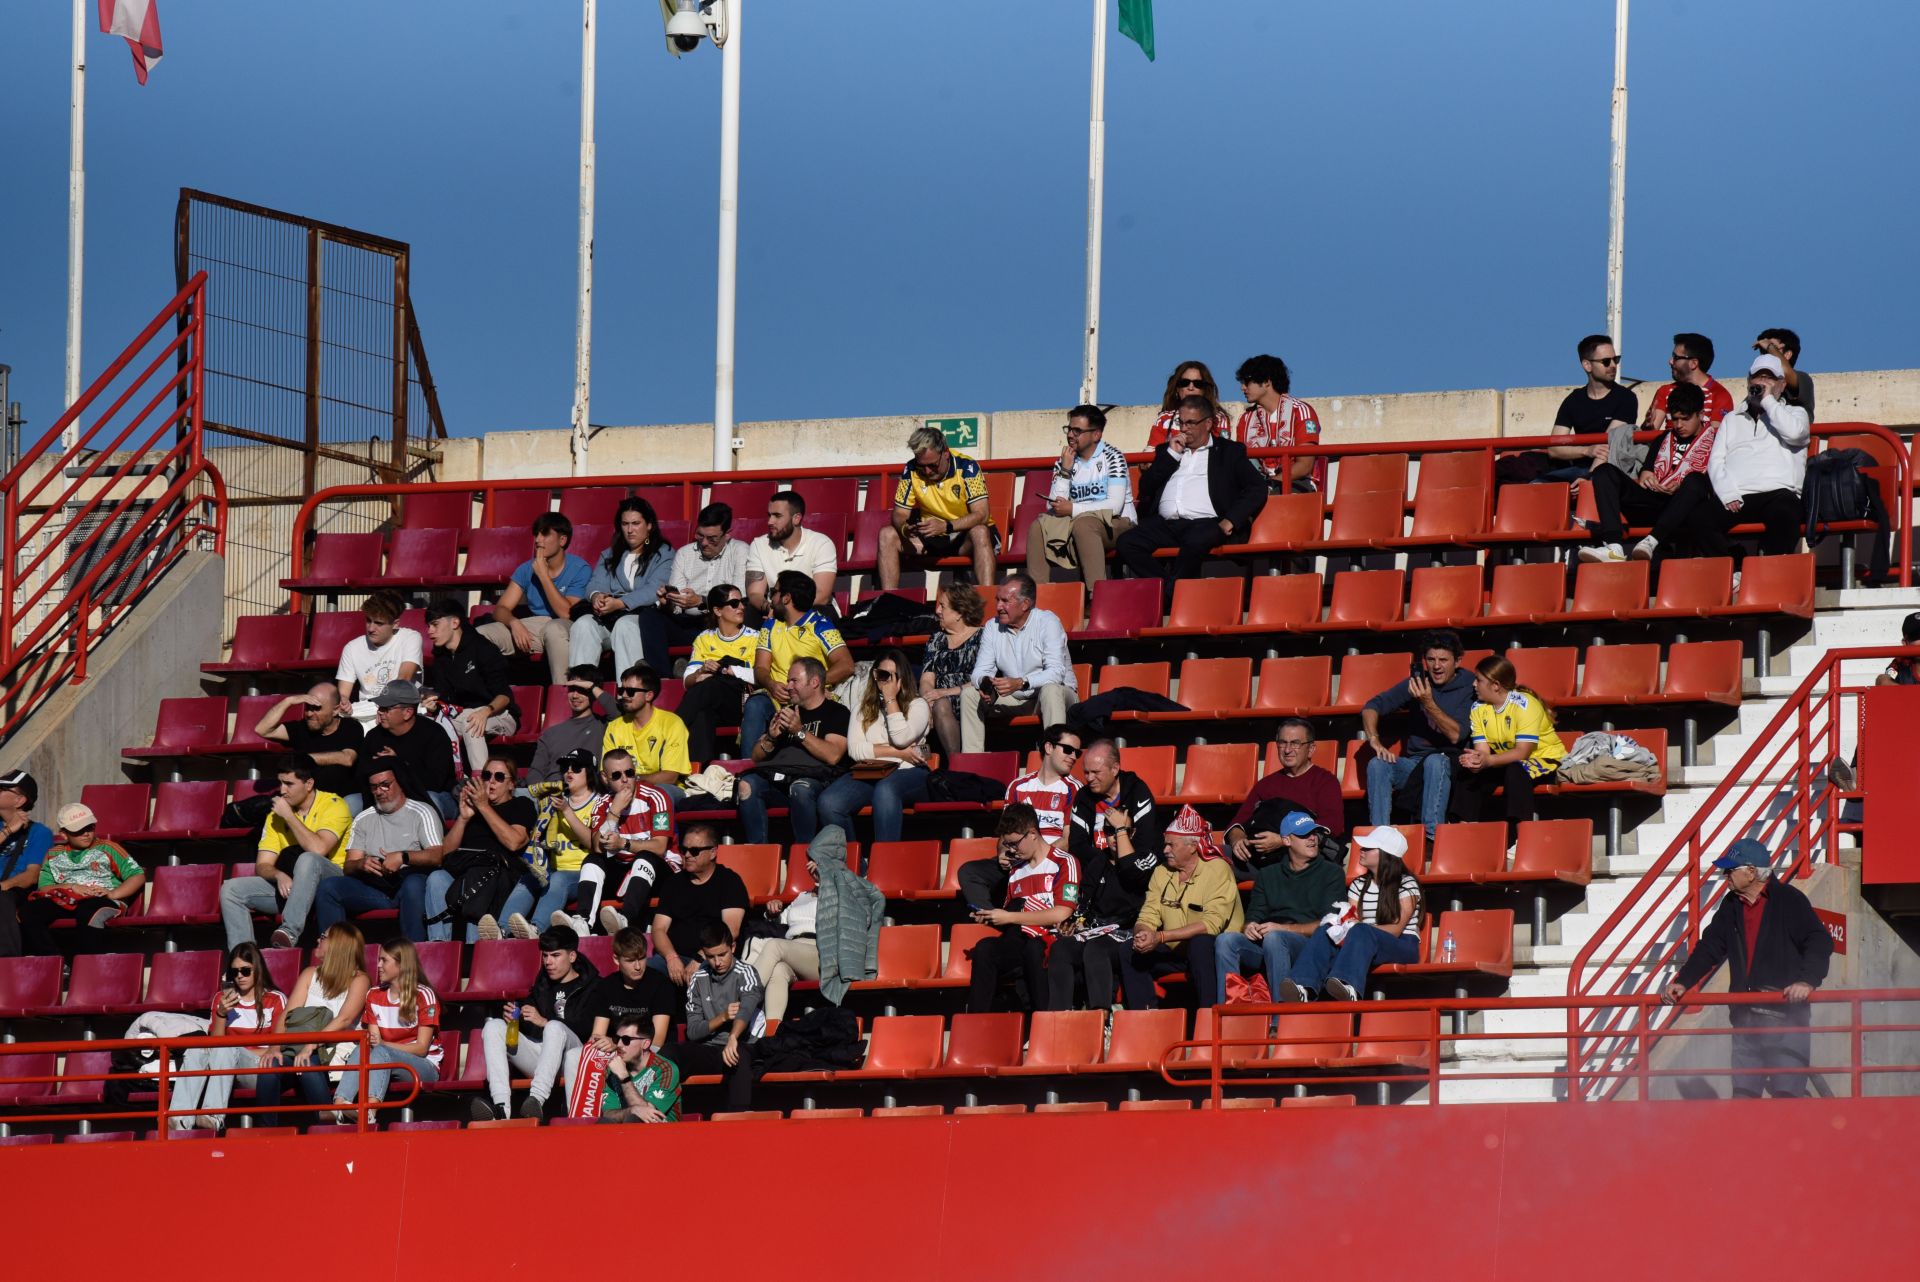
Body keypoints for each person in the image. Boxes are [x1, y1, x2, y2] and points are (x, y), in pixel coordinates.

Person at [1662, 838, 1832, 1098]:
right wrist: (1683, 981)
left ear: (1751, 872)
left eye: (1730, 870)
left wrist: (1807, 981)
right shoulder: (1731, 905)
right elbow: (1709, 947)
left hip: (1786, 1019)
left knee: (1788, 1099)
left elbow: (1818, 940)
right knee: (1743, 1100)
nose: (1724, 876)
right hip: (1745, 1020)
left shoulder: (1789, 899)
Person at [1117, 394, 1268, 607]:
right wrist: (1171, 456)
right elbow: (1146, 487)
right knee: (1127, 543)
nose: (1184, 428)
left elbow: (1257, 487)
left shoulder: (1228, 451)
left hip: (1206, 522)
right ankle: (1171, 591)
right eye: (1181, 422)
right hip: (1166, 524)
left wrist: (1230, 521)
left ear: (1208, 423)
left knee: (1198, 538)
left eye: (1191, 423)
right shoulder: (1167, 451)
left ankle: (1168, 597)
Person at [1049, 741, 1162, 1010]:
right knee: (1061, 949)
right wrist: (1105, 865)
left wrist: (1119, 855)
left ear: (1115, 768)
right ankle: (1056, 1020)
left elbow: (1142, 857)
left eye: (1096, 773)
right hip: (1100, 895)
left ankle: (1101, 1019)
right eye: (1085, 772)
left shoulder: (1138, 793)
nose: (1088, 779)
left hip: (1130, 919)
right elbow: (1077, 845)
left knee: (1096, 950)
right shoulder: (1085, 797)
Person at [1579, 382, 1725, 564]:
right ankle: (1613, 546)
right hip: (1653, 503)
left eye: (1685, 419)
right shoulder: (1663, 438)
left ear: (1701, 415)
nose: (1678, 425)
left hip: (1688, 510)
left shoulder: (1717, 441)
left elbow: (1717, 480)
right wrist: (1647, 476)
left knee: (1695, 481)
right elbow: (1647, 470)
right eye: (1675, 419)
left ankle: (1652, 541)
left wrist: (1682, 486)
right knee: (1604, 471)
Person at [220, 754, 354, 950]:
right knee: (231, 889)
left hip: (331, 881)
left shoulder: (334, 804)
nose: (282, 791)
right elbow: (263, 864)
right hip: (292, 886)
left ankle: (289, 932)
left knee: (308, 859)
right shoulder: (275, 816)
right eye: (280, 783)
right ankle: (244, 960)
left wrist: (290, 817)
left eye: (289, 784)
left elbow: (319, 849)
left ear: (309, 784)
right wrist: (279, 875)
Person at [471, 924, 601, 1121]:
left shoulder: (593, 985)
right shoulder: (543, 983)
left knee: (554, 1027)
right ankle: (501, 1108)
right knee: (493, 1026)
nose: (548, 962)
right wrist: (516, 1017)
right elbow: (530, 1023)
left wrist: (544, 1022)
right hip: (543, 1058)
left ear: (572, 956)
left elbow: (586, 1028)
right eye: (545, 956)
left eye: (555, 955)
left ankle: (536, 1100)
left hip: (575, 1057)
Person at [1215, 813, 1348, 1005]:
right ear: (1287, 840)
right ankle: (1229, 1016)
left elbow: (1332, 925)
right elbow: (1254, 914)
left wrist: (1281, 929)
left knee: (1275, 938)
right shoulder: (1268, 875)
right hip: (1272, 943)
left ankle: (1282, 1017)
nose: (1312, 839)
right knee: (1226, 940)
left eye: (1314, 834)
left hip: (1311, 946)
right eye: (1304, 835)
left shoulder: (1331, 872)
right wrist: (1250, 926)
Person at [1279, 826, 1422, 1003]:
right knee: (1326, 929)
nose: (1361, 851)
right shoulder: (1358, 884)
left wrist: (1358, 928)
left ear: (1386, 854)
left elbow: (1396, 929)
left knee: (1359, 930)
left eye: (1368, 848)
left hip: (1402, 944)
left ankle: (1349, 986)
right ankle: (1303, 986)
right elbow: (1352, 919)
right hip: (1362, 942)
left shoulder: (1407, 884)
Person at [1124, 805, 1242, 1009]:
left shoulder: (1218, 869)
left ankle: (1208, 1017)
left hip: (1213, 952)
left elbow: (1211, 925)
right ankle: (1144, 1018)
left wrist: (1160, 937)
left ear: (1192, 846)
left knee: (1200, 944)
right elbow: (1148, 915)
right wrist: (1143, 933)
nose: (1165, 850)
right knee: (1129, 949)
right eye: (1165, 844)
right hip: (1177, 951)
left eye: (1171, 845)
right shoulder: (1162, 871)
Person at [967, 804, 1080, 1013]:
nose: (1011, 850)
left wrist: (1009, 917)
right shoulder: (1016, 870)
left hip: (1051, 939)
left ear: (1033, 834)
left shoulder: (1064, 862)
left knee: (1034, 949)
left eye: (1015, 843)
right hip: (1018, 939)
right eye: (1007, 844)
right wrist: (993, 918)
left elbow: (1062, 912)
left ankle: (1044, 1023)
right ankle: (976, 1024)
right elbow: (1013, 918)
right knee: (985, 949)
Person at [313, 765, 445, 942]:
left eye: (385, 784)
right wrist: (362, 864)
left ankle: (413, 954)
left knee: (414, 884)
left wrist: (403, 857)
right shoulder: (363, 818)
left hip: (408, 882)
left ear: (400, 783)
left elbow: (437, 855)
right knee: (329, 887)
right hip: (375, 887)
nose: (379, 791)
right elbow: (349, 866)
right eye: (374, 787)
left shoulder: (421, 812)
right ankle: (336, 956)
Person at [1360, 633, 1474, 841]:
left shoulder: (1470, 686)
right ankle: (1380, 837)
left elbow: (1456, 735)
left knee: (1434, 761)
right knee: (1378, 765)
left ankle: (1432, 838)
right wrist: (1374, 738)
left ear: (1457, 661)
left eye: (1443, 660)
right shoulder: (1417, 682)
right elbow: (1371, 707)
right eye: (1431, 660)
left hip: (1452, 762)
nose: (1436, 666)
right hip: (1415, 765)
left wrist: (1428, 702)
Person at [167, 941, 287, 1132]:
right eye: (234, 972)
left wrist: (241, 1051)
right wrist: (222, 1014)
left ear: (258, 969)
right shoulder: (221, 999)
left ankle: (213, 1116)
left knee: (229, 1046)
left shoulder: (274, 999)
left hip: (260, 1070)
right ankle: (179, 1118)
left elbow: (276, 1047)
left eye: (245, 971)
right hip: (224, 1066)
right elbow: (214, 1044)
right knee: (196, 1050)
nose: (239, 976)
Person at [818, 647, 932, 844]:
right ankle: (853, 865)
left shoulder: (917, 705)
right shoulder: (861, 708)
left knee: (886, 790)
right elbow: (856, 751)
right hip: (871, 771)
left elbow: (901, 737)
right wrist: (902, 753)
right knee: (829, 802)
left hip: (909, 772)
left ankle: (885, 865)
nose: (884, 680)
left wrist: (890, 700)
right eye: (880, 674)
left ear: (901, 678)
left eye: (889, 675)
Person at [1454, 656, 1567, 846]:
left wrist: (1488, 761)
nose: (1474, 684)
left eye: (1479, 680)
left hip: (1545, 759)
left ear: (1495, 685)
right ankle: (1464, 835)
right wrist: (1476, 761)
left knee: (1517, 770)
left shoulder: (1525, 704)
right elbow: (1483, 752)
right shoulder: (1478, 708)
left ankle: (1521, 840)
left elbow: (1522, 752)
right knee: (1467, 775)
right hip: (1506, 762)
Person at [739, 655, 852, 845]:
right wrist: (771, 737)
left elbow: (833, 755)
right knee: (747, 785)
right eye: (788, 681)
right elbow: (756, 756)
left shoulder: (837, 712)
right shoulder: (786, 712)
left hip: (817, 781)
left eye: (794, 681)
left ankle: (804, 852)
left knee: (800, 788)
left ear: (815, 682)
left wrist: (800, 732)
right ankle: (758, 853)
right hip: (782, 779)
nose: (788, 686)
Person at [1707, 354, 1811, 559]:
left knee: (1785, 514)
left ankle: (1767, 571)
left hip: (1779, 493)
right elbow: (1716, 461)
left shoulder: (1796, 412)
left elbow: (1796, 434)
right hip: (1738, 497)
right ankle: (1737, 564)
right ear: (1748, 382)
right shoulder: (1731, 419)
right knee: (1699, 517)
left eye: (1769, 378)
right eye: (1757, 377)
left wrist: (1769, 402)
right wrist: (1728, 493)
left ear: (1781, 384)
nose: (1762, 382)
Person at [1025, 404, 1136, 591]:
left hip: (1119, 523)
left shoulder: (1113, 457)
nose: (1070, 435)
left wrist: (1073, 509)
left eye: (1077, 431)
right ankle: (1038, 597)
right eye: (1069, 429)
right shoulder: (1064, 461)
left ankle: (1098, 597)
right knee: (1039, 526)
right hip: (1077, 522)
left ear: (1096, 435)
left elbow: (1115, 507)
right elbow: (1052, 506)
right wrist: (1065, 471)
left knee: (1084, 525)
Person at [961, 572, 1077, 751]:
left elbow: (1056, 673)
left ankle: (1055, 759)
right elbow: (979, 671)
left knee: (1051, 690)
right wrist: (986, 684)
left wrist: (1021, 683)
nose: (999, 606)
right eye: (997, 600)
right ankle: (972, 764)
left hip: (1058, 696)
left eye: (1005, 601)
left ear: (1025, 604)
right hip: (1017, 699)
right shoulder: (992, 626)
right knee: (969, 694)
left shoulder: (1048, 622)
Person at [740, 570, 853, 752]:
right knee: (756, 704)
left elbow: (846, 665)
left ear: (786, 598)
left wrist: (813, 686)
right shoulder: (769, 626)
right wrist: (771, 684)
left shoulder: (821, 625)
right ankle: (746, 769)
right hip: (776, 698)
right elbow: (760, 668)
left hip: (810, 697)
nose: (770, 598)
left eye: (774, 592)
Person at [428, 758, 536, 944]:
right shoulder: (473, 810)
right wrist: (463, 818)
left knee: (478, 884)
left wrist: (484, 806)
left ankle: (476, 950)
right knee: (436, 878)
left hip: (499, 875)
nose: (491, 781)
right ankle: (439, 944)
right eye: (487, 776)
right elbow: (446, 855)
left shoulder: (521, 805)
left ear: (511, 784)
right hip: (467, 872)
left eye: (499, 777)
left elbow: (514, 842)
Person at [332, 938, 443, 1119]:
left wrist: (384, 1044)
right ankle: (339, 1105)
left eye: (384, 960)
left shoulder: (424, 995)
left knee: (382, 1051)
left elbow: (421, 1049)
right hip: (386, 1060)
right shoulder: (374, 995)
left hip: (424, 1067)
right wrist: (380, 1044)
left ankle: (369, 1111)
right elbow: (374, 1043)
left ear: (401, 965)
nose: (378, 965)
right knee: (364, 1047)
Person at [504, 749, 608, 938]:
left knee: (558, 879)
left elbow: (595, 845)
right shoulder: (554, 799)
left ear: (590, 772)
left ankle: (536, 928)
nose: (569, 771)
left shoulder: (600, 803)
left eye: (576, 768)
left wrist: (567, 811)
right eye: (565, 767)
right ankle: (502, 929)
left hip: (581, 874)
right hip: (555, 870)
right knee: (530, 876)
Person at [878, 426, 998, 590]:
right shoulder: (911, 470)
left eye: (933, 465)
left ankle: (988, 597)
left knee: (980, 531)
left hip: (964, 536)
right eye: (922, 466)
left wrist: (946, 526)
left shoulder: (968, 467)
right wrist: (905, 528)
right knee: (887, 534)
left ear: (946, 453)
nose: (927, 471)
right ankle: (888, 602)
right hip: (932, 537)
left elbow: (982, 515)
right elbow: (899, 514)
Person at [661, 923, 764, 1113]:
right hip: (711, 1049)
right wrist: (723, 1017)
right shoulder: (698, 979)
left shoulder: (746, 973)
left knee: (738, 1055)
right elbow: (693, 1032)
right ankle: (658, 1109)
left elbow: (747, 1007)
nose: (717, 962)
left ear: (732, 948)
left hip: (745, 1045)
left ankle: (738, 1117)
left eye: (722, 954)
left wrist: (733, 1036)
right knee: (670, 1051)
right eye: (710, 957)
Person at [479, 512, 592, 682]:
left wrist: (544, 576)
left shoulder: (580, 568)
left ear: (562, 540)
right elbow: (501, 609)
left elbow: (567, 614)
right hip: (535, 626)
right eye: (536, 534)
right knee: (479, 634)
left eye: (545, 534)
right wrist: (514, 622)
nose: (538, 540)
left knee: (554, 629)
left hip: (568, 627)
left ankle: (561, 695)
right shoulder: (526, 569)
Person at [570, 496, 676, 677]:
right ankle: (581, 689)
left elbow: (654, 590)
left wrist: (620, 603)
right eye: (625, 524)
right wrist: (597, 597)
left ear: (649, 525)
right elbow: (595, 583)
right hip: (609, 616)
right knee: (583, 625)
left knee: (625, 625)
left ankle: (628, 693)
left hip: (642, 617)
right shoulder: (610, 554)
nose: (630, 530)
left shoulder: (663, 553)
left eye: (636, 523)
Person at [20, 803, 145, 956]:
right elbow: (44, 888)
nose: (86, 834)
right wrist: (71, 887)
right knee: (29, 911)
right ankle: (54, 960)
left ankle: (88, 963)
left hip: (102, 900)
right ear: (64, 834)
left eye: (90, 828)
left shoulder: (108, 848)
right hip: (68, 900)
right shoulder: (53, 854)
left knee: (89, 912)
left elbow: (137, 875)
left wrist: (111, 894)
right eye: (78, 831)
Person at [574, 748, 675, 937]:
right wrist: (614, 812)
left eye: (629, 773)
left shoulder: (656, 797)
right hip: (624, 869)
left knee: (645, 857)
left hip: (661, 871)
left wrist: (624, 844)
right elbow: (597, 846)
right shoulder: (603, 803)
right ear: (605, 778)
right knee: (593, 860)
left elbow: (660, 847)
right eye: (617, 775)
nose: (625, 779)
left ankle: (626, 920)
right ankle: (583, 922)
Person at [281, 923, 372, 1121]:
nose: (317, 940)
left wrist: (311, 1044)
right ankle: (265, 1132)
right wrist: (274, 1046)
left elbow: (344, 1018)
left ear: (338, 945)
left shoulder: (359, 979)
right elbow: (288, 1014)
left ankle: (330, 1123)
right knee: (271, 1066)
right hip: (298, 1048)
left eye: (323, 936)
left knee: (307, 1062)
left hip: (333, 1049)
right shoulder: (309, 974)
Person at [1227, 717, 1346, 861]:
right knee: (1216, 857)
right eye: (1282, 743)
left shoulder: (1325, 781)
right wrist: (1237, 839)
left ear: (1311, 749)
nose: (1288, 750)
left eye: (1295, 743)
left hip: (1303, 859)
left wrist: (1283, 841)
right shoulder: (1265, 784)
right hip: (1260, 856)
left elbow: (1332, 826)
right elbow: (1238, 822)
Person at [420, 597, 516, 772]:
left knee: (471, 723)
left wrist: (485, 712)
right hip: (463, 715)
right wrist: (434, 706)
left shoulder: (483, 648)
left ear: (455, 622)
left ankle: (481, 786)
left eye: (434, 625)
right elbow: (446, 699)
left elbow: (504, 696)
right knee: (428, 726)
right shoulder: (441, 656)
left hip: (499, 713)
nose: (429, 631)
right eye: (428, 626)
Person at [650, 825, 750, 986]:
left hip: (712, 958)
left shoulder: (730, 882)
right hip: (675, 956)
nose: (687, 855)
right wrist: (671, 958)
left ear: (713, 852)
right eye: (684, 849)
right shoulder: (673, 884)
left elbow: (731, 930)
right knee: (645, 972)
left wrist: (700, 958)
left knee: (706, 975)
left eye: (694, 851)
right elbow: (658, 929)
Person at [356, 679, 459, 822]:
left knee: (430, 803)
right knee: (350, 802)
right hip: (384, 793)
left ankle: (432, 844)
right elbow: (361, 774)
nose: (380, 712)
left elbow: (436, 782)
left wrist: (398, 764)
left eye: (386, 708)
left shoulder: (434, 734)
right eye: (380, 707)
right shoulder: (374, 736)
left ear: (408, 712)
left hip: (433, 794)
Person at [676, 583, 757, 763]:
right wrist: (701, 671)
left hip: (741, 703)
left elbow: (762, 676)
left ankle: (669, 730)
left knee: (714, 680)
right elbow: (687, 681)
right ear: (718, 611)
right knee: (701, 715)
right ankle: (698, 773)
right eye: (735, 603)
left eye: (743, 602)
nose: (742, 607)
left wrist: (731, 670)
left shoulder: (755, 637)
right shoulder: (704, 638)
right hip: (710, 702)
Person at [254, 685, 363, 815]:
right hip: (309, 801)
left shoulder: (350, 726)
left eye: (316, 708)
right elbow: (262, 729)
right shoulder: (302, 728)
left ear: (336, 710)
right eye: (307, 708)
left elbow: (347, 758)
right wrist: (288, 701)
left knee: (349, 805)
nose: (310, 714)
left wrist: (304, 760)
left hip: (344, 797)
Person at [661, 502, 749, 650]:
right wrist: (669, 602)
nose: (704, 543)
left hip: (720, 622)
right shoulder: (685, 553)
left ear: (727, 534)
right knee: (648, 616)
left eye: (712, 538)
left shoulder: (740, 551)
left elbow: (737, 601)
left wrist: (701, 601)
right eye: (700, 536)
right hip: (687, 622)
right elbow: (677, 605)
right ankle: (660, 673)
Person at [580, 926, 680, 1054]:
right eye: (630, 960)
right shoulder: (606, 986)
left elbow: (657, 1041)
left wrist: (617, 1046)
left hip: (653, 1055)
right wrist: (610, 1046)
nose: (638, 967)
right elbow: (597, 1035)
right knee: (574, 1055)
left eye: (642, 958)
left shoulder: (661, 985)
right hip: (616, 1052)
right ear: (616, 959)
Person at [1235, 353, 1327, 492]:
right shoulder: (1245, 420)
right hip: (1257, 490)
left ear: (1267, 381)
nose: (1242, 387)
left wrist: (1270, 485)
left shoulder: (1301, 411)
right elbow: (1241, 464)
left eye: (1247, 381)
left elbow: (1305, 465)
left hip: (1297, 485)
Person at [744, 490, 839, 618]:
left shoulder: (821, 543)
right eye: (769, 515)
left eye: (777, 516)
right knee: (750, 612)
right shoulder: (759, 545)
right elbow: (755, 594)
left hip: (811, 609)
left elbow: (822, 595)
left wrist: (787, 612)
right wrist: (771, 609)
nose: (770, 522)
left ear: (796, 518)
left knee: (822, 612)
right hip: (774, 609)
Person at [602, 663, 693, 797]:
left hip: (665, 790)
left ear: (649, 696)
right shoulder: (614, 727)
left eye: (631, 692)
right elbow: (606, 774)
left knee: (656, 795)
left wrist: (634, 781)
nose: (624, 695)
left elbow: (670, 776)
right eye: (621, 691)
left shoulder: (672, 723)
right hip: (623, 789)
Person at [745, 865, 821, 1022]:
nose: (814, 868)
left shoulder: (839, 893)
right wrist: (773, 913)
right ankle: (770, 1032)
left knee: (774, 945)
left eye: (820, 862)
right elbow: (783, 921)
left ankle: (743, 1004)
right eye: (812, 863)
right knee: (777, 969)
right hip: (793, 949)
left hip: (819, 952)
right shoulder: (802, 896)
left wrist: (826, 878)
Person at [335, 589, 422, 726]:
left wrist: (384, 708)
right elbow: (343, 692)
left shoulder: (410, 638)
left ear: (395, 624)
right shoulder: (352, 648)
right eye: (368, 621)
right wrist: (344, 701)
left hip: (401, 706)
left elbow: (403, 680)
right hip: (366, 710)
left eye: (378, 623)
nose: (371, 628)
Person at [920, 583, 985, 760]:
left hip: (971, 697)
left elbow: (986, 680)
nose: (937, 611)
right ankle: (956, 764)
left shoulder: (984, 637)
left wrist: (946, 692)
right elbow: (926, 679)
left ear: (959, 612)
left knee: (942, 702)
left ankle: (957, 764)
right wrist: (928, 698)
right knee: (934, 704)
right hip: (939, 701)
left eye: (943, 606)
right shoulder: (936, 640)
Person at [526, 666, 612, 788]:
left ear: (593, 693)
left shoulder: (603, 725)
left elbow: (617, 712)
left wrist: (592, 687)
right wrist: (543, 794)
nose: (575, 695)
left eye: (582, 689)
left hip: (586, 794)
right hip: (551, 792)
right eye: (572, 689)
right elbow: (536, 771)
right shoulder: (550, 733)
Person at [0, 770, 53, 958]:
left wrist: (4, 885)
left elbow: (32, 875)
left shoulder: (39, 832)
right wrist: (7, 832)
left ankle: (6, 962)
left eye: (2, 788)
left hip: (13, 892)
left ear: (20, 800)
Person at [598, 1013, 682, 1123]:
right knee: (604, 1122)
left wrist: (624, 1078)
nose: (618, 1045)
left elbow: (649, 1116)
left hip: (664, 1134)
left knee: (634, 1120)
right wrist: (632, 1110)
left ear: (645, 1044)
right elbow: (608, 1114)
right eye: (617, 1039)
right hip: (624, 1134)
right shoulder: (612, 1070)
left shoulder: (666, 1069)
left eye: (626, 1040)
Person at [1008, 724, 1083, 846]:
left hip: (1053, 861)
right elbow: (1005, 835)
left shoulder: (1075, 789)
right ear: (1049, 747)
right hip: (1017, 858)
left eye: (1077, 753)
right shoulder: (1016, 786)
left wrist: (1036, 857)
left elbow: (1067, 841)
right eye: (1068, 750)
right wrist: (1003, 854)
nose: (1074, 757)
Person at [1645, 332, 1734, 431]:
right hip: (1668, 446)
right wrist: (1648, 425)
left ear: (1693, 363)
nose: (1670, 361)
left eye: (1676, 358)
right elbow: (1650, 432)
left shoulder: (1720, 395)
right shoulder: (1665, 391)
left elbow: (1717, 436)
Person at [1143, 360, 1233, 447]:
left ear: (1205, 389)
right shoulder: (1164, 420)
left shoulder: (1219, 419)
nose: (1191, 387)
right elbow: (1151, 457)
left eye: (1198, 384)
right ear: (1177, 388)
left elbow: (1223, 454)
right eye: (1185, 383)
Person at [1754, 327, 1815, 423]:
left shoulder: (1803, 378)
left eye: (1768, 351)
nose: (1764, 356)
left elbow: (1786, 373)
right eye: (1762, 352)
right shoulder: (1756, 386)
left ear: (1787, 355)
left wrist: (1770, 347)